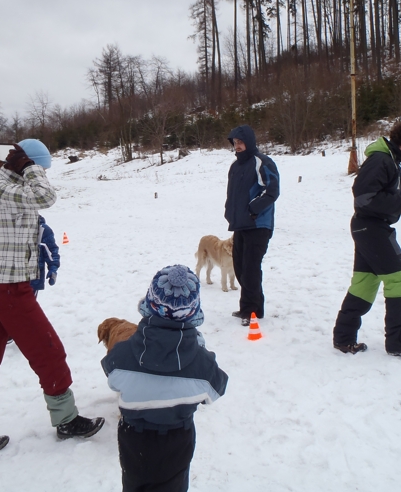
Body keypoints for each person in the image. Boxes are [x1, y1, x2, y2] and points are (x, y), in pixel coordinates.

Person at [0, 139, 105, 460]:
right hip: (7, 288)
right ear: (24, 165)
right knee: (49, 350)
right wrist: (31, 168)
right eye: (40, 169)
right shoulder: (4, 187)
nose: (43, 175)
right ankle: (66, 420)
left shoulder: (6, 186)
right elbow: (46, 196)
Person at [101, 265, 228, 492]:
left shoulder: (120, 356)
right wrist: (202, 352)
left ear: (149, 305)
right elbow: (216, 389)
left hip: (133, 439)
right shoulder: (202, 366)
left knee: (134, 485)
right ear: (193, 312)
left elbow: (113, 380)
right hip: (177, 439)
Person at [332, 121, 401, 358]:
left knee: (364, 284)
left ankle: (344, 339)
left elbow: (377, 197)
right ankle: (399, 343)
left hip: (369, 226)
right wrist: (399, 202)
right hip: (371, 229)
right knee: (400, 280)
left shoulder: (389, 160)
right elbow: (363, 197)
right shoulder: (381, 160)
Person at [224, 125, 280, 326]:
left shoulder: (262, 162)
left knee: (250, 269)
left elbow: (272, 191)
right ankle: (253, 307)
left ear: (249, 141)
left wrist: (252, 209)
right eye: (235, 143)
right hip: (241, 224)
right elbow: (233, 194)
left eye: (240, 142)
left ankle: (251, 311)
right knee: (240, 267)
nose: (237, 146)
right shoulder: (235, 166)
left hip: (258, 224)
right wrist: (229, 211)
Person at [30, 214, 60, 297]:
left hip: (32, 280)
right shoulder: (8, 227)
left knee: (26, 309)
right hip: (8, 280)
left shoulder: (42, 230)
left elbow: (52, 251)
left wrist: (53, 269)